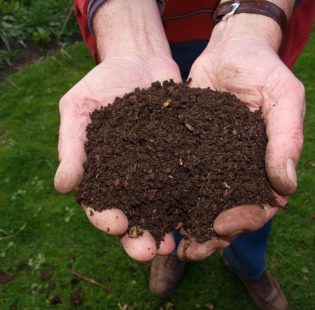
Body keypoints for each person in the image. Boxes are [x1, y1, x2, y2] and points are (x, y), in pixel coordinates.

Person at [54, 0, 315, 308]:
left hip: (256, 31)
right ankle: (173, 249)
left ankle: (249, 267)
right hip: (156, 27)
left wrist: (253, 22)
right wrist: (130, 32)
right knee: (169, 208)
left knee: (255, 192)